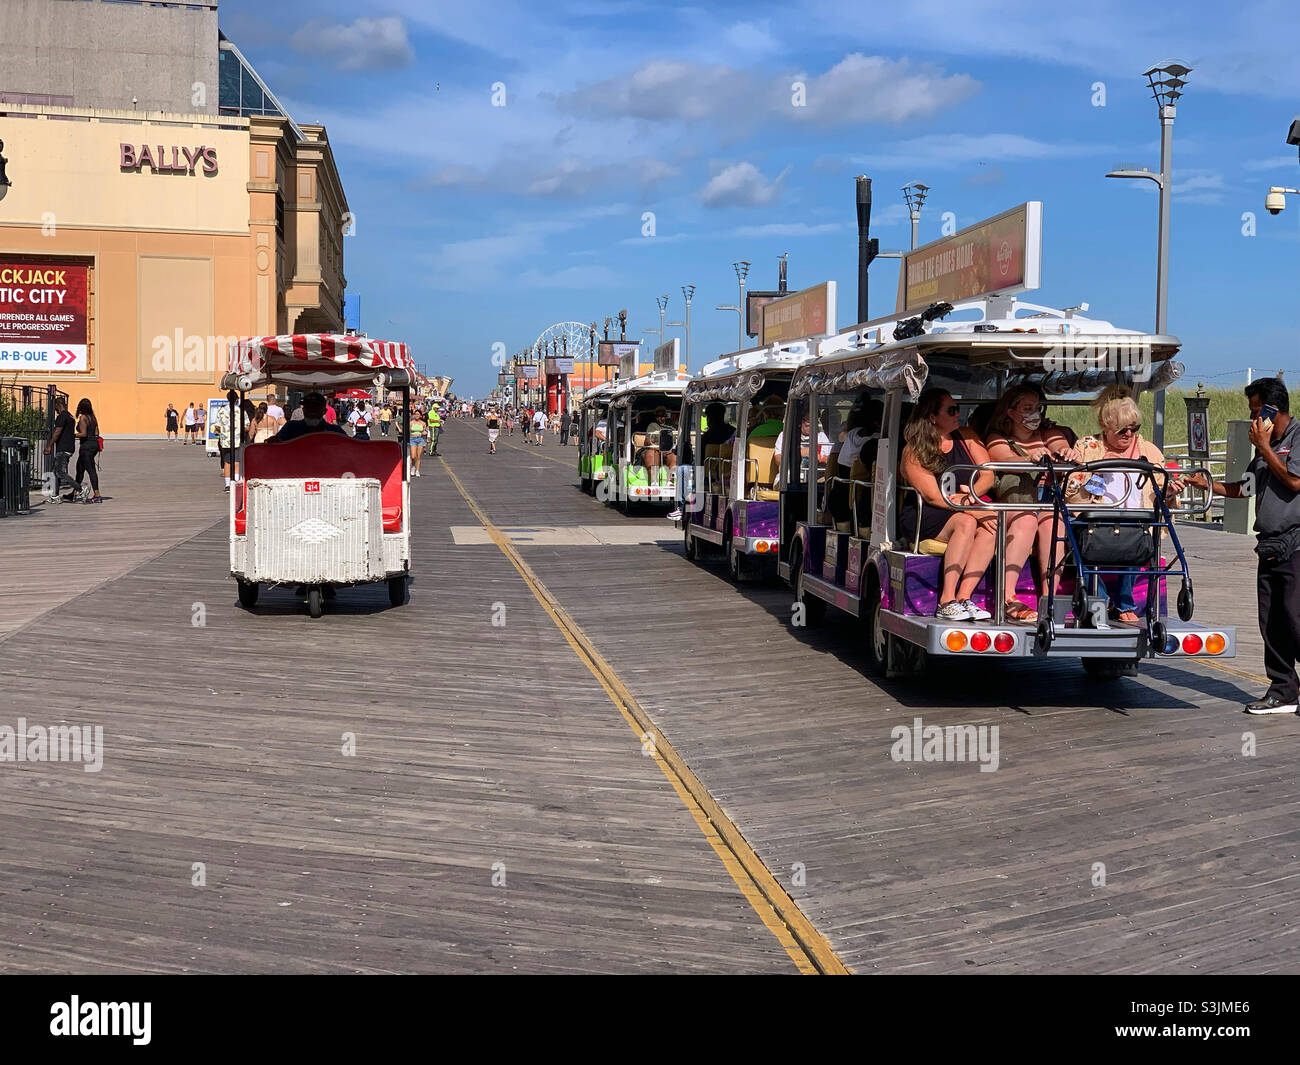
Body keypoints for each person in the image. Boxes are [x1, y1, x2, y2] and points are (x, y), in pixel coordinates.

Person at [1188, 377, 1300, 714]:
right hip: (1269, 545)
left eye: (1256, 411)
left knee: (1296, 618)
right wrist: (1208, 484)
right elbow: (1247, 487)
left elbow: (1296, 481)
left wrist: (1266, 447)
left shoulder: (1296, 438)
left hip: (1297, 543)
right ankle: (1283, 690)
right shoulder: (1264, 447)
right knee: (1272, 621)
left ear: (1272, 410)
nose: (1253, 419)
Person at [1066, 385, 1182, 623]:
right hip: (1093, 517)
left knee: (1137, 536)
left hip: (1136, 518)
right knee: (1084, 542)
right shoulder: (1088, 447)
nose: (1129, 435)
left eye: (1134, 428)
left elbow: (1161, 489)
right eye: (1122, 430)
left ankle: (1124, 603)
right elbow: (1069, 489)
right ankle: (1101, 601)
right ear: (1106, 427)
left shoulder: (1148, 450)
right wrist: (1094, 470)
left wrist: (1171, 490)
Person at [898, 388, 999, 621]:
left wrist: (970, 498)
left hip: (964, 505)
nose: (957, 414)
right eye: (951, 410)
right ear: (932, 416)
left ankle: (964, 597)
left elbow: (988, 475)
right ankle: (946, 599)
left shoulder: (967, 437)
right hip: (928, 514)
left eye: (958, 409)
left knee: (991, 523)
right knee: (966, 522)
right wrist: (971, 508)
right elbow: (933, 497)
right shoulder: (914, 450)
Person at [983, 384, 1079, 623]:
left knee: (1053, 524)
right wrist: (1028, 458)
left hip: (1046, 499)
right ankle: (1008, 597)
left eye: (1037, 408)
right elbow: (1004, 459)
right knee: (1026, 521)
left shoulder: (1048, 433)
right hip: (1015, 502)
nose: (1034, 413)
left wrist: (1065, 452)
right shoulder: (998, 438)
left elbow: (1060, 444)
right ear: (1011, 412)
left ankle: (1049, 598)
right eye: (1027, 408)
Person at [823, 398, 881, 533]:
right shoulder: (876, 443)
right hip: (862, 507)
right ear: (878, 422)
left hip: (839, 499)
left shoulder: (851, 436)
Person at [272, 392, 348, 442]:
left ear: (324, 411)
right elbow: (276, 445)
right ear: (303, 410)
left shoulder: (335, 431)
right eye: (308, 408)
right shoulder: (290, 427)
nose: (312, 412)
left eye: (316, 408)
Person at [68, 398, 102, 504]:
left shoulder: (83, 418)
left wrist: (71, 435)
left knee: (91, 470)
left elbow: (83, 434)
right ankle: (74, 493)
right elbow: (97, 432)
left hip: (86, 446)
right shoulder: (93, 418)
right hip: (94, 445)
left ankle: (97, 495)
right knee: (80, 469)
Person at [44, 395, 77, 502]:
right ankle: (55, 496)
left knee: (60, 472)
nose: (55, 410)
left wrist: (49, 445)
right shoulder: (70, 416)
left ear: (58, 405)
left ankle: (80, 488)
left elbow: (57, 432)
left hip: (63, 448)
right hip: (69, 447)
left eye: (55, 407)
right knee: (55, 472)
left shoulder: (62, 417)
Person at [408, 406, 427, 476]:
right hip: (412, 439)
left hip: (420, 439)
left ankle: (417, 470)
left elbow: (425, 431)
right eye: (415, 414)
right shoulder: (411, 423)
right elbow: (408, 431)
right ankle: (413, 466)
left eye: (418, 414)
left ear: (421, 416)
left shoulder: (423, 423)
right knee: (413, 456)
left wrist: (424, 433)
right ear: (413, 415)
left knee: (418, 456)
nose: (416, 416)